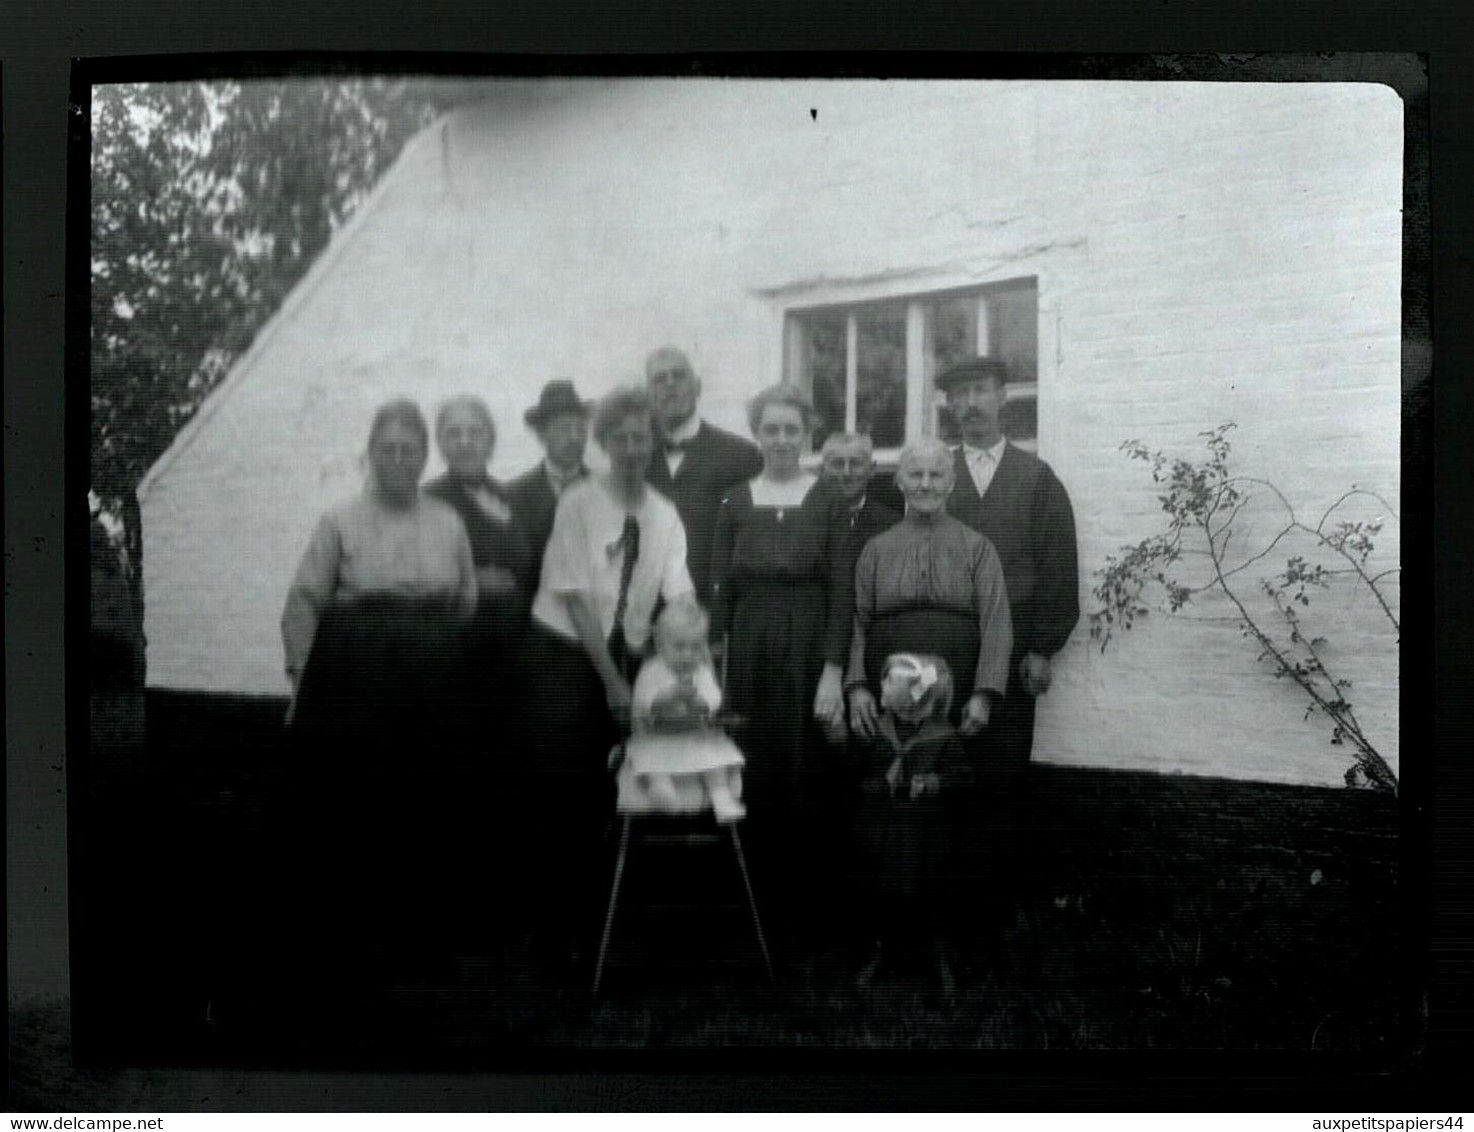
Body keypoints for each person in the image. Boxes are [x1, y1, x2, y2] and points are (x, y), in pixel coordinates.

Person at [280, 398, 477, 991]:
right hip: (356, 676)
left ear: (424, 458)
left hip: (431, 675)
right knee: (358, 807)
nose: (398, 458)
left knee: (427, 804)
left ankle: (422, 948)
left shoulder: (447, 521)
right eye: (386, 448)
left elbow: (465, 599)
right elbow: (303, 603)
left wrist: (432, 652)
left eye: (409, 449)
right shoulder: (339, 520)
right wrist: (303, 685)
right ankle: (350, 949)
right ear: (369, 455)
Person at [522, 387, 695, 961]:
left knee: (619, 787)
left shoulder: (664, 514)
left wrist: (691, 663)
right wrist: (614, 685)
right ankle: (556, 933)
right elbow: (575, 603)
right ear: (602, 444)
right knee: (563, 786)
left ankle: (611, 929)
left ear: (655, 440)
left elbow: (679, 595)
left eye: (640, 437)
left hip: (625, 652)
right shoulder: (578, 503)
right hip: (565, 655)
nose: (631, 449)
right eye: (618, 438)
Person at [709, 383, 853, 940]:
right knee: (752, 759)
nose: (782, 440)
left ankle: (805, 912)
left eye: (792, 429)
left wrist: (833, 670)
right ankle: (752, 907)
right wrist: (715, 662)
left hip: (808, 641)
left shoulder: (828, 501)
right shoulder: (734, 500)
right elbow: (721, 592)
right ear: (757, 433)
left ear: (808, 434)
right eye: (771, 429)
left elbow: (842, 592)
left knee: (803, 765)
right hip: (748, 645)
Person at [423, 394, 535, 955]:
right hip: (456, 663)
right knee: (456, 786)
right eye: (454, 433)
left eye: (475, 432)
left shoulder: (504, 496)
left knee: (504, 785)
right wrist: (474, 585)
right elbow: (416, 579)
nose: (465, 441)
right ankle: (454, 924)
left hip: (511, 662)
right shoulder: (430, 501)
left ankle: (501, 918)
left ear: (491, 440)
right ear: (441, 443)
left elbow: (525, 570)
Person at [938, 357, 1079, 774]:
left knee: (1004, 765)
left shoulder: (1037, 478)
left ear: (1002, 397)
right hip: (949, 634)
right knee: (941, 753)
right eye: (960, 394)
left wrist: (1042, 648)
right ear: (949, 404)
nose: (971, 403)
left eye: (980, 390)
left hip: (1016, 641)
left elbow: (1058, 566)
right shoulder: (935, 475)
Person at [845, 438, 1013, 741]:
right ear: (899, 481)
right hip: (886, 685)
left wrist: (984, 694)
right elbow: (858, 621)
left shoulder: (978, 548)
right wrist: (856, 687)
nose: (925, 484)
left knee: (949, 776)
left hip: (958, 687)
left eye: (935, 475)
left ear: (951, 483)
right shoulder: (876, 549)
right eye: (915, 474)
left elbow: (996, 625)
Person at [852, 653, 972, 994]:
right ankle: (880, 950)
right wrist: (880, 785)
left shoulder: (942, 735)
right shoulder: (877, 731)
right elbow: (857, 777)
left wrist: (933, 782)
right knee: (881, 893)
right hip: (883, 828)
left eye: (888, 682)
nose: (880, 687)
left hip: (925, 832)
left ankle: (938, 957)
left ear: (912, 697)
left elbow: (964, 779)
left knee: (930, 895)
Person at [642, 346, 763, 606]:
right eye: (659, 379)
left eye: (679, 376)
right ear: (648, 395)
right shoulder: (633, 461)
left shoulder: (741, 456)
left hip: (715, 615)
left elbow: (755, 548)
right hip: (647, 623)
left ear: (697, 387)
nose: (670, 385)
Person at [619, 597, 746, 822]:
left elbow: (714, 700)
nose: (688, 655)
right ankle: (662, 790)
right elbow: (641, 702)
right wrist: (665, 698)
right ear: (660, 645)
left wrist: (700, 700)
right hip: (655, 736)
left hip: (694, 735)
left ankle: (721, 796)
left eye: (695, 647)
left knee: (715, 757)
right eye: (679, 646)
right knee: (647, 761)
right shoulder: (652, 671)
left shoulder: (701, 672)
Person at [506, 379, 593, 590]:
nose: (574, 438)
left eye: (580, 429)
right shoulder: (512, 495)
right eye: (564, 429)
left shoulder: (606, 491)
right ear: (541, 434)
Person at [820, 431, 900, 550]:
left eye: (856, 463)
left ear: (872, 470)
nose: (846, 473)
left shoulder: (893, 526)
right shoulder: (805, 522)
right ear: (822, 471)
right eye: (837, 464)